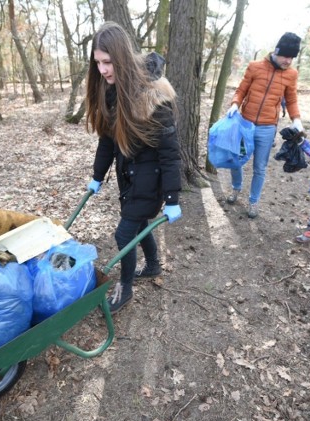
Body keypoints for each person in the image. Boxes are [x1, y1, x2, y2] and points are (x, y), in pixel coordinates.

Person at [85, 22, 182, 313]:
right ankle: (153, 265)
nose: (102, 70)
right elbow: (106, 141)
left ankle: (125, 286)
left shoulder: (154, 96)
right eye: (98, 62)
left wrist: (173, 198)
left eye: (108, 62)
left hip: (150, 180)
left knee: (124, 234)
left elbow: (170, 153)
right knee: (138, 224)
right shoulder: (110, 90)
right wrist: (97, 176)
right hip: (128, 174)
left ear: (122, 57)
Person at [224, 32, 304, 219]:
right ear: (277, 51)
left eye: (292, 57)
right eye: (286, 56)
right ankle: (236, 188)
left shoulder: (291, 74)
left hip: (267, 128)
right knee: (235, 160)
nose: (288, 61)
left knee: (259, 167)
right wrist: (235, 104)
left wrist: (296, 119)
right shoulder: (255, 67)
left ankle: (253, 201)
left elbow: (291, 100)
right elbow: (241, 90)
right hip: (245, 123)